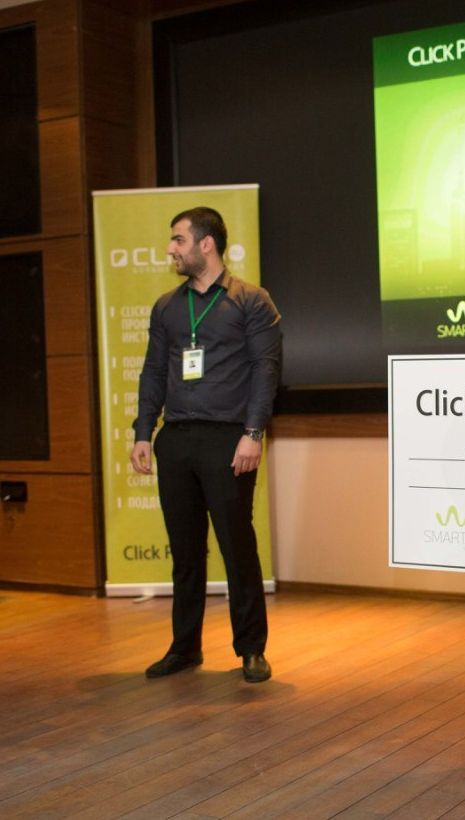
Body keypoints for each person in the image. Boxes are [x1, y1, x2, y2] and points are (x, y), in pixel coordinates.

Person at [131, 206, 281, 684]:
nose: (170, 250)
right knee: (185, 552)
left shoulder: (251, 300)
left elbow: (266, 371)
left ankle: (251, 649)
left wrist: (253, 433)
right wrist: (143, 431)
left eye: (178, 240)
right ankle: (184, 647)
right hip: (176, 440)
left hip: (228, 440)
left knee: (237, 547)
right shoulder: (167, 307)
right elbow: (154, 371)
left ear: (206, 244)